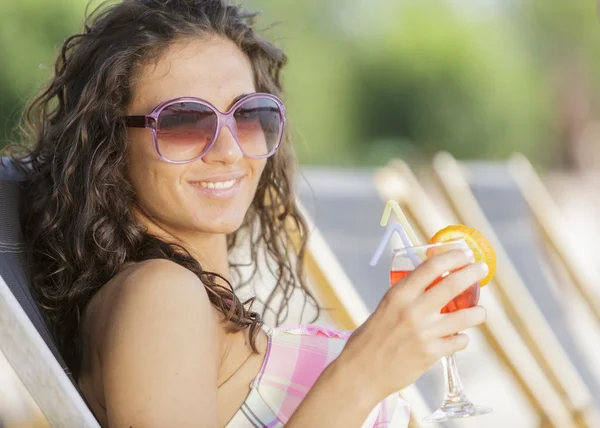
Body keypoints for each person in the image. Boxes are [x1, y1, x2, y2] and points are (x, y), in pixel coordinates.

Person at [8, 1, 488, 426]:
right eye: (182, 121)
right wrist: (362, 373)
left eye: (248, 114)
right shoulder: (160, 295)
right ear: (108, 147)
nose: (229, 150)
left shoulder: (188, 298)